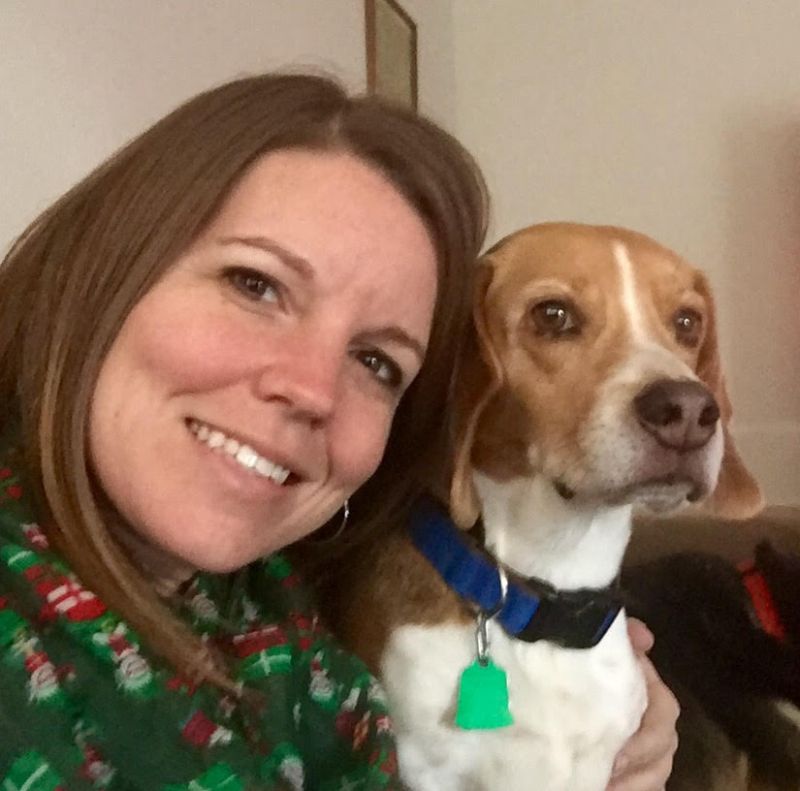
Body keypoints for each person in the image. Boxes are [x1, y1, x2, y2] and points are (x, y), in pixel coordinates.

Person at [0, 72, 677, 790]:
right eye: (256, 285)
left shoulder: (288, 613)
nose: (313, 389)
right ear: (104, 265)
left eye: (376, 362)